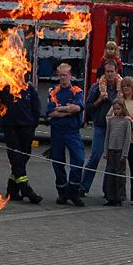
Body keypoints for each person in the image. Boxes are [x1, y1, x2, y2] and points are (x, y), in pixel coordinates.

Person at [0, 75, 42, 204]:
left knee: (23, 158)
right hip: (11, 129)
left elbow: (36, 108)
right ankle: (26, 190)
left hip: (27, 129)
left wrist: (33, 125)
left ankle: (12, 190)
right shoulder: (6, 87)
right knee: (16, 159)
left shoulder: (30, 89)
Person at [47, 63, 86, 206]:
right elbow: (50, 112)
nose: (63, 78)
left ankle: (74, 191)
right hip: (57, 132)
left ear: (70, 75)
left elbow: (78, 107)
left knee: (79, 159)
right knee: (57, 162)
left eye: (65, 75)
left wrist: (61, 109)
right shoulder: (53, 92)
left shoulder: (77, 91)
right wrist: (68, 111)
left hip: (72, 132)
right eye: (60, 75)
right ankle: (62, 192)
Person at [80, 60, 120, 198]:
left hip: (115, 128)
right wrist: (99, 100)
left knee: (112, 159)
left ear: (116, 72)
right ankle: (83, 186)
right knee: (96, 156)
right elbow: (88, 107)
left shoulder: (121, 88)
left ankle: (107, 190)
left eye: (112, 71)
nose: (109, 74)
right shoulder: (97, 88)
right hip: (100, 126)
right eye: (107, 71)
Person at [106, 76, 133, 204]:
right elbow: (108, 116)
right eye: (123, 86)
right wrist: (115, 119)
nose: (126, 88)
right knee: (117, 170)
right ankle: (114, 196)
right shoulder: (119, 101)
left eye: (128, 86)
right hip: (118, 142)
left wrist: (131, 122)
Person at [103, 98, 131, 207]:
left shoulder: (126, 122)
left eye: (118, 109)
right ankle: (110, 197)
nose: (116, 111)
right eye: (115, 109)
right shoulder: (111, 121)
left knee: (120, 175)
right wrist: (106, 151)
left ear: (123, 108)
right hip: (111, 150)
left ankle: (119, 198)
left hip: (120, 151)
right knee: (110, 174)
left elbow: (127, 139)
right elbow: (107, 136)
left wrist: (125, 154)